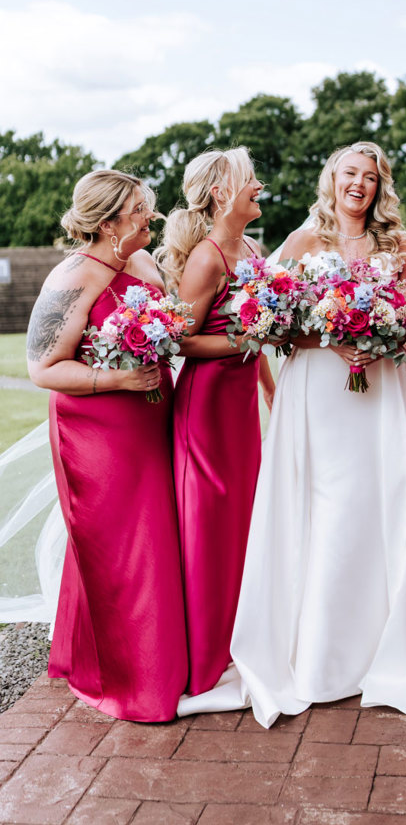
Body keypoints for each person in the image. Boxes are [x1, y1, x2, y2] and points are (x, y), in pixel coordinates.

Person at [178, 141, 406, 726]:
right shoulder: (303, 242)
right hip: (321, 392)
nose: (359, 185)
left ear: (381, 187)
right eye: (348, 174)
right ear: (331, 180)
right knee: (327, 507)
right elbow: (271, 323)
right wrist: (331, 338)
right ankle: (321, 655)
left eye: (370, 177)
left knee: (384, 500)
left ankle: (389, 644)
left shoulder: (397, 244)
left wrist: (384, 332)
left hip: (382, 387)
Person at [26, 169, 188, 721]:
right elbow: (42, 367)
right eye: (142, 209)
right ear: (110, 220)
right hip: (98, 431)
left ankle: (155, 657)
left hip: (150, 420)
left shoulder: (143, 263)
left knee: (159, 535)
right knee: (125, 546)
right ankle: (134, 678)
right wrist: (117, 380)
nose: (152, 216)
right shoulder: (73, 277)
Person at [156, 148, 275, 697]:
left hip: (242, 407)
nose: (259, 186)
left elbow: (264, 330)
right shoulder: (206, 259)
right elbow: (179, 339)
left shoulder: (253, 247)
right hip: (205, 410)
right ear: (223, 193)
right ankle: (204, 660)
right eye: (249, 180)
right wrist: (240, 343)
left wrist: (272, 390)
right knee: (209, 529)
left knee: (242, 525)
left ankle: (238, 638)